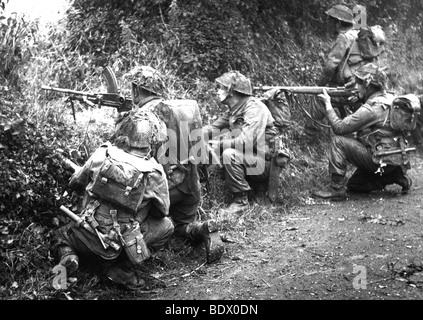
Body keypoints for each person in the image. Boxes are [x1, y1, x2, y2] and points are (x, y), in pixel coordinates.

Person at [51, 112, 174, 290]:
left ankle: (68, 256)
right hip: (123, 243)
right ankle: (123, 269)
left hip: (86, 235)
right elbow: (162, 211)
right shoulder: (155, 172)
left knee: (59, 236)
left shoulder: (102, 154)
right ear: (152, 141)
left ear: (124, 134)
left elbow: (75, 182)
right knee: (167, 226)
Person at [123, 65, 224, 264]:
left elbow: (130, 160)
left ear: (136, 89)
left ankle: (134, 260)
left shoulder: (141, 117)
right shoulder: (184, 108)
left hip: (162, 191)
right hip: (190, 186)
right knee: (181, 226)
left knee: (128, 221)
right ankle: (202, 229)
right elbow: (205, 153)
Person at [312, 63, 414, 200]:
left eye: (359, 83)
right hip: (394, 157)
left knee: (338, 142)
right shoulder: (391, 97)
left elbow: (339, 128)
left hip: (379, 158)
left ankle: (336, 188)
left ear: (368, 85)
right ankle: (395, 176)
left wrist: (328, 105)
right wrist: (360, 101)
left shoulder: (372, 108)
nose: (356, 87)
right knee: (355, 185)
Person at [203, 71, 279, 215]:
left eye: (220, 88)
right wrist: (193, 134)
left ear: (231, 90)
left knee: (229, 154)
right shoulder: (236, 109)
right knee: (211, 168)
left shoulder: (254, 108)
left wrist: (219, 145)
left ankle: (241, 201)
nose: (217, 92)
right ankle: (213, 199)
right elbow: (213, 128)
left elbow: (246, 141)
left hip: (264, 163)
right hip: (249, 159)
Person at [304, 4, 368, 142]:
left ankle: (308, 141)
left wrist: (318, 86)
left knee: (317, 100)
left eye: (331, 20)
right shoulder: (359, 36)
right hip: (362, 88)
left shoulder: (344, 37)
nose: (328, 23)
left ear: (338, 22)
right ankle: (358, 140)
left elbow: (330, 66)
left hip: (348, 89)